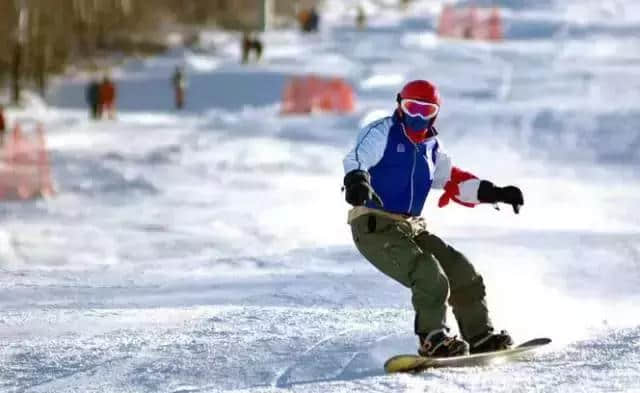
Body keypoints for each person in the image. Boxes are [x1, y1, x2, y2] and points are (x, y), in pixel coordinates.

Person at [342, 80, 524, 358]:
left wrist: (494, 192)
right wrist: (357, 180)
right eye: (410, 107)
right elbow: (357, 157)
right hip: (374, 225)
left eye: (424, 110)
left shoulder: (431, 147)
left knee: (461, 269)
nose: (416, 116)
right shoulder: (382, 132)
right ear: (399, 105)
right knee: (427, 271)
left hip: (410, 226)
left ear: (434, 113)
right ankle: (432, 339)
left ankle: (479, 336)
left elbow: (453, 180)